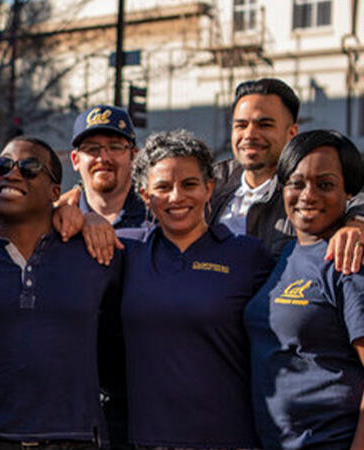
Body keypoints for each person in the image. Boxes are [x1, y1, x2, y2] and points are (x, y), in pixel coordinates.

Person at [0, 137, 122, 449]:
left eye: (30, 168)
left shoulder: (100, 253)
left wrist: (90, 217)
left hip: (76, 437)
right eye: (3, 166)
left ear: (56, 192)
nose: (12, 174)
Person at [245, 130, 364, 449]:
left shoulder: (358, 260)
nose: (308, 194)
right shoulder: (287, 253)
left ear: (349, 194)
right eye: (296, 183)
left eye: (325, 184)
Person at [118, 130, 272, 448]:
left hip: (228, 438)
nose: (177, 197)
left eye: (189, 184)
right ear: (145, 194)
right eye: (163, 187)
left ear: (209, 188)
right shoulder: (125, 249)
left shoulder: (247, 254)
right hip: (148, 440)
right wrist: (79, 214)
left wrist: (361, 221)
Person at [209, 78, 364, 269]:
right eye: (241, 125)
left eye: (264, 125)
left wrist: (359, 224)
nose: (250, 135)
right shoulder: (213, 183)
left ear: (292, 133)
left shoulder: (299, 195)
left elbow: (359, 201)